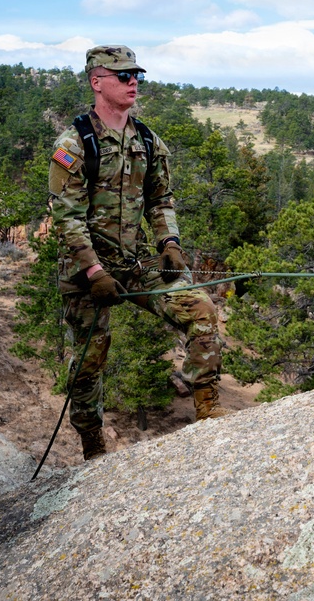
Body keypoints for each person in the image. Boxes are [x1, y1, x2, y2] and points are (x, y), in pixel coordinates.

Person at [47, 45, 228, 461]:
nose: (133, 83)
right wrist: (93, 272)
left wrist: (169, 244)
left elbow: (161, 200)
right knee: (89, 363)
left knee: (199, 309)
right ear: (97, 82)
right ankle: (93, 446)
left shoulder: (147, 140)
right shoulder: (74, 144)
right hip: (84, 269)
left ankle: (208, 409)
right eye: (123, 76)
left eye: (137, 76)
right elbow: (67, 218)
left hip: (135, 263)